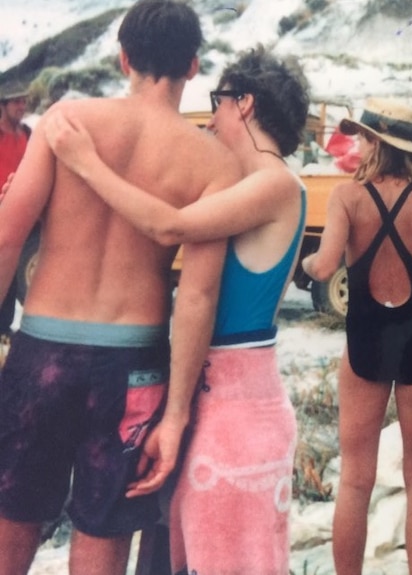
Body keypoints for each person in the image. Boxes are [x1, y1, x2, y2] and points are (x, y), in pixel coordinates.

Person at [45, 46, 309, 573]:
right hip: (228, 399)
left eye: (218, 103)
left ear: (245, 105)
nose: (211, 118)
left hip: (235, 407)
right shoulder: (258, 188)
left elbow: (168, 225)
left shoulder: (275, 183)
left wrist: (85, 163)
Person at [0, 1, 242, 573]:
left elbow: (8, 236)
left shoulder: (67, 122)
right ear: (193, 66)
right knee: (103, 524)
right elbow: (198, 300)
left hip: (42, 353)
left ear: (124, 58)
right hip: (134, 368)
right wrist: (176, 413)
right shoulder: (215, 164)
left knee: (12, 511)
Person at [301, 98, 412, 575]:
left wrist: (308, 262)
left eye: (362, 136)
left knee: (356, 480)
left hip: (366, 337)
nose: (356, 143)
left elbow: (327, 262)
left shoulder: (347, 198)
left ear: (375, 142)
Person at [0, 84, 31, 338]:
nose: (21, 107)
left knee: (11, 273)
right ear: (3, 105)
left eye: (24, 101)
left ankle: (4, 328)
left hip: (19, 213)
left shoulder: (28, 134)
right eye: (16, 102)